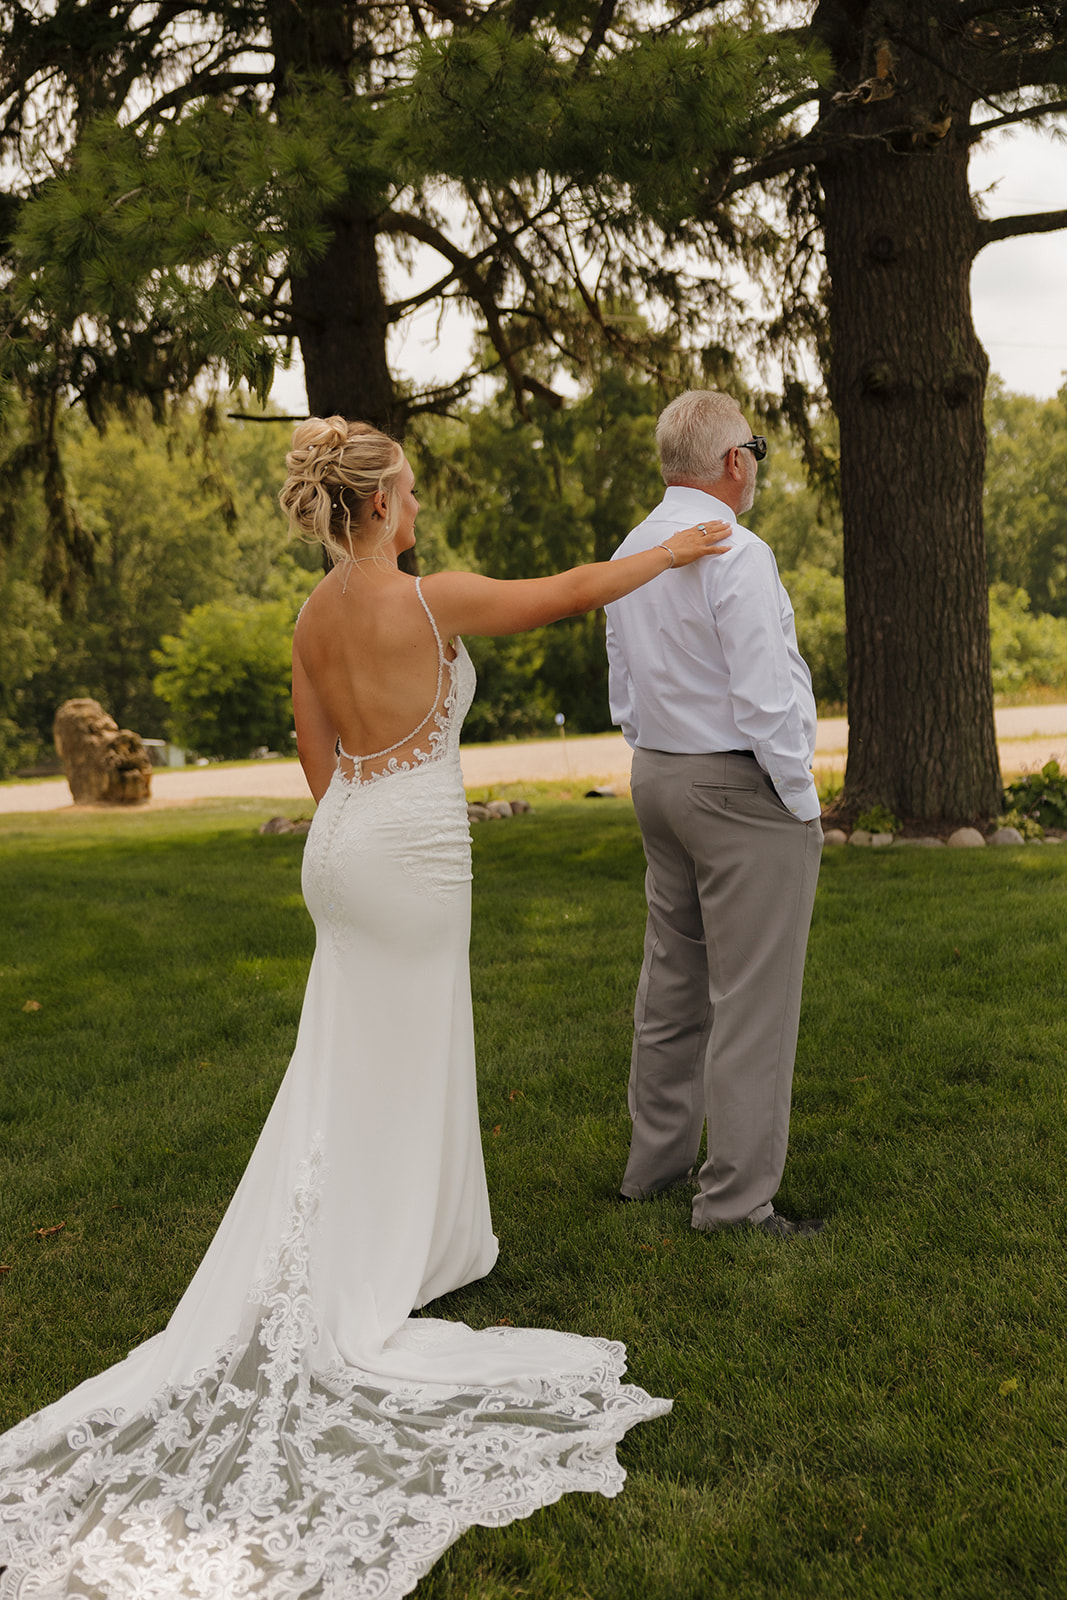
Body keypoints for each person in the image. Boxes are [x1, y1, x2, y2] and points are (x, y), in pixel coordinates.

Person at [0, 416, 731, 1600]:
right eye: (408, 492)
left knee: (355, 1058)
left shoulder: (311, 615)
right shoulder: (427, 598)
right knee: (407, 1055)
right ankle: (387, 1262)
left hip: (342, 843)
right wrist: (677, 549)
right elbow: (569, 590)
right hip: (414, 851)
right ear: (380, 504)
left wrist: (352, 831)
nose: (414, 506)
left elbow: (315, 749)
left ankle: (410, 1239)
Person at [605, 390, 824, 1240]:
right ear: (735, 461)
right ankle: (734, 1203)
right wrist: (798, 801)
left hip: (656, 774)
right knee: (752, 999)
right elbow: (765, 694)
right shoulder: (736, 549)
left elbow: (625, 684)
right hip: (736, 788)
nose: (756, 463)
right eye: (756, 449)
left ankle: (651, 1169)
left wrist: (653, 748)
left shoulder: (632, 547)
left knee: (671, 983)